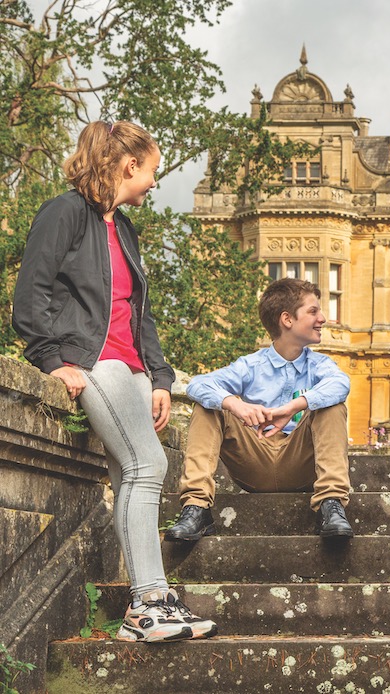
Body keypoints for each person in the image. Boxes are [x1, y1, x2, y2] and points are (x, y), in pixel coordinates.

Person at [13, 121, 216, 642]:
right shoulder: (65, 213)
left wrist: (160, 377)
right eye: (152, 170)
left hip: (128, 367)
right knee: (150, 464)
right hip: (90, 360)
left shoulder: (122, 228)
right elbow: (30, 293)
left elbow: (137, 312)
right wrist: (51, 358)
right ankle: (147, 605)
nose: (153, 181)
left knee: (133, 473)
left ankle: (153, 605)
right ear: (129, 166)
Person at [165, 278, 354, 542]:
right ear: (287, 319)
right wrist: (235, 404)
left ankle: (331, 505)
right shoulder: (251, 365)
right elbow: (199, 384)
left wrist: (293, 407)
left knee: (330, 404)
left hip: (301, 462)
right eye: (313, 311)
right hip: (254, 458)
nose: (323, 318)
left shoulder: (320, 364)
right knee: (210, 404)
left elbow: (340, 384)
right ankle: (196, 507)